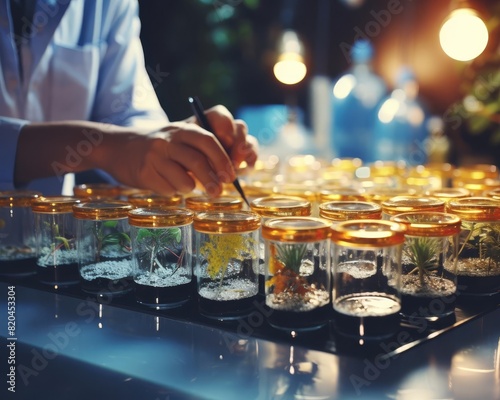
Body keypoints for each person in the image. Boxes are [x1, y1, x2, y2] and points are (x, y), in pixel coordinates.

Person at [0, 0, 258, 196]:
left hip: (55, 242)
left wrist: (176, 144)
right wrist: (112, 148)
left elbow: (126, 114)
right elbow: (121, 142)